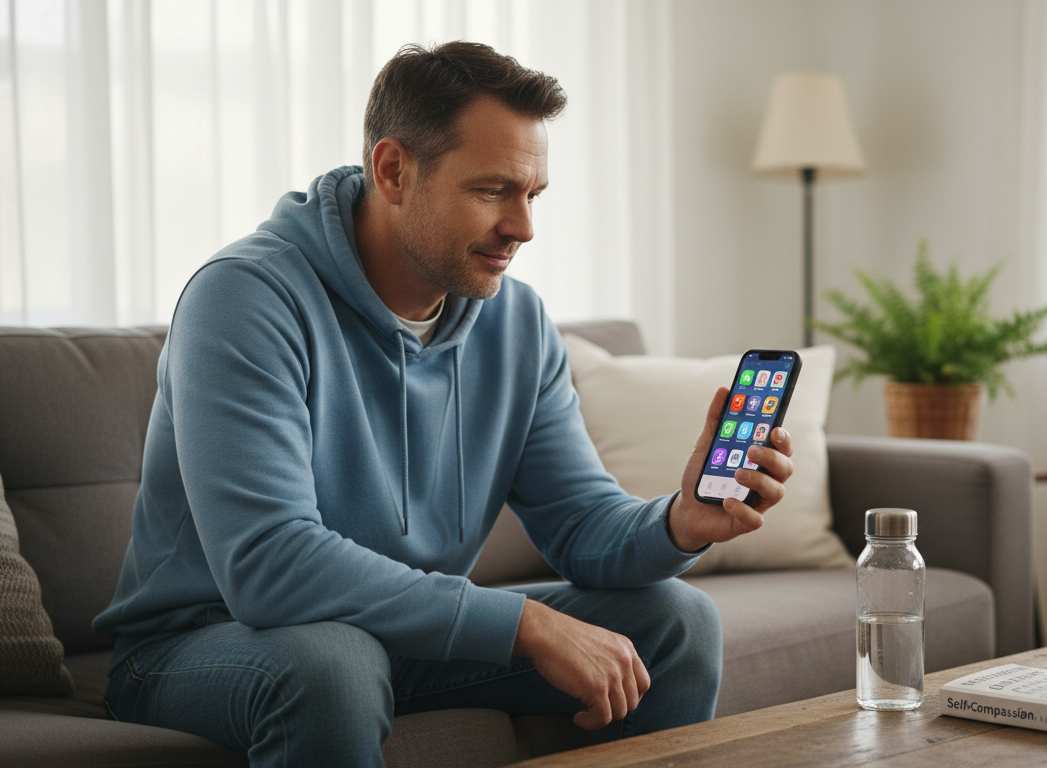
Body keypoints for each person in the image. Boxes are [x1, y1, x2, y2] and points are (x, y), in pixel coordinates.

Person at [92, 40, 796, 767]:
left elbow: (581, 521)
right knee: (333, 665)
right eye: (493, 191)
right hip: (203, 644)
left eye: (533, 195)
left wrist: (680, 521)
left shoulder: (516, 323)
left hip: (392, 638)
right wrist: (523, 624)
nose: (523, 227)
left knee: (675, 621)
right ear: (393, 171)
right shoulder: (244, 299)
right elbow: (271, 566)